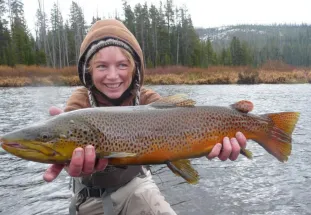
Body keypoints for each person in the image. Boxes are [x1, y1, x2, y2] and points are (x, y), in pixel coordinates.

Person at [43, 19, 247, 215]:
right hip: (89, 198)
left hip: (137, 187)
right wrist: (65, 151)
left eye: (122, 65)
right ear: (88, 71)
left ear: (135, 68)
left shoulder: (149, 99)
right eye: (102, 66)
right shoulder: (80, 103)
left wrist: (215, 137)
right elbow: (65, 137)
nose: (113, 75)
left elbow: (179, 123)